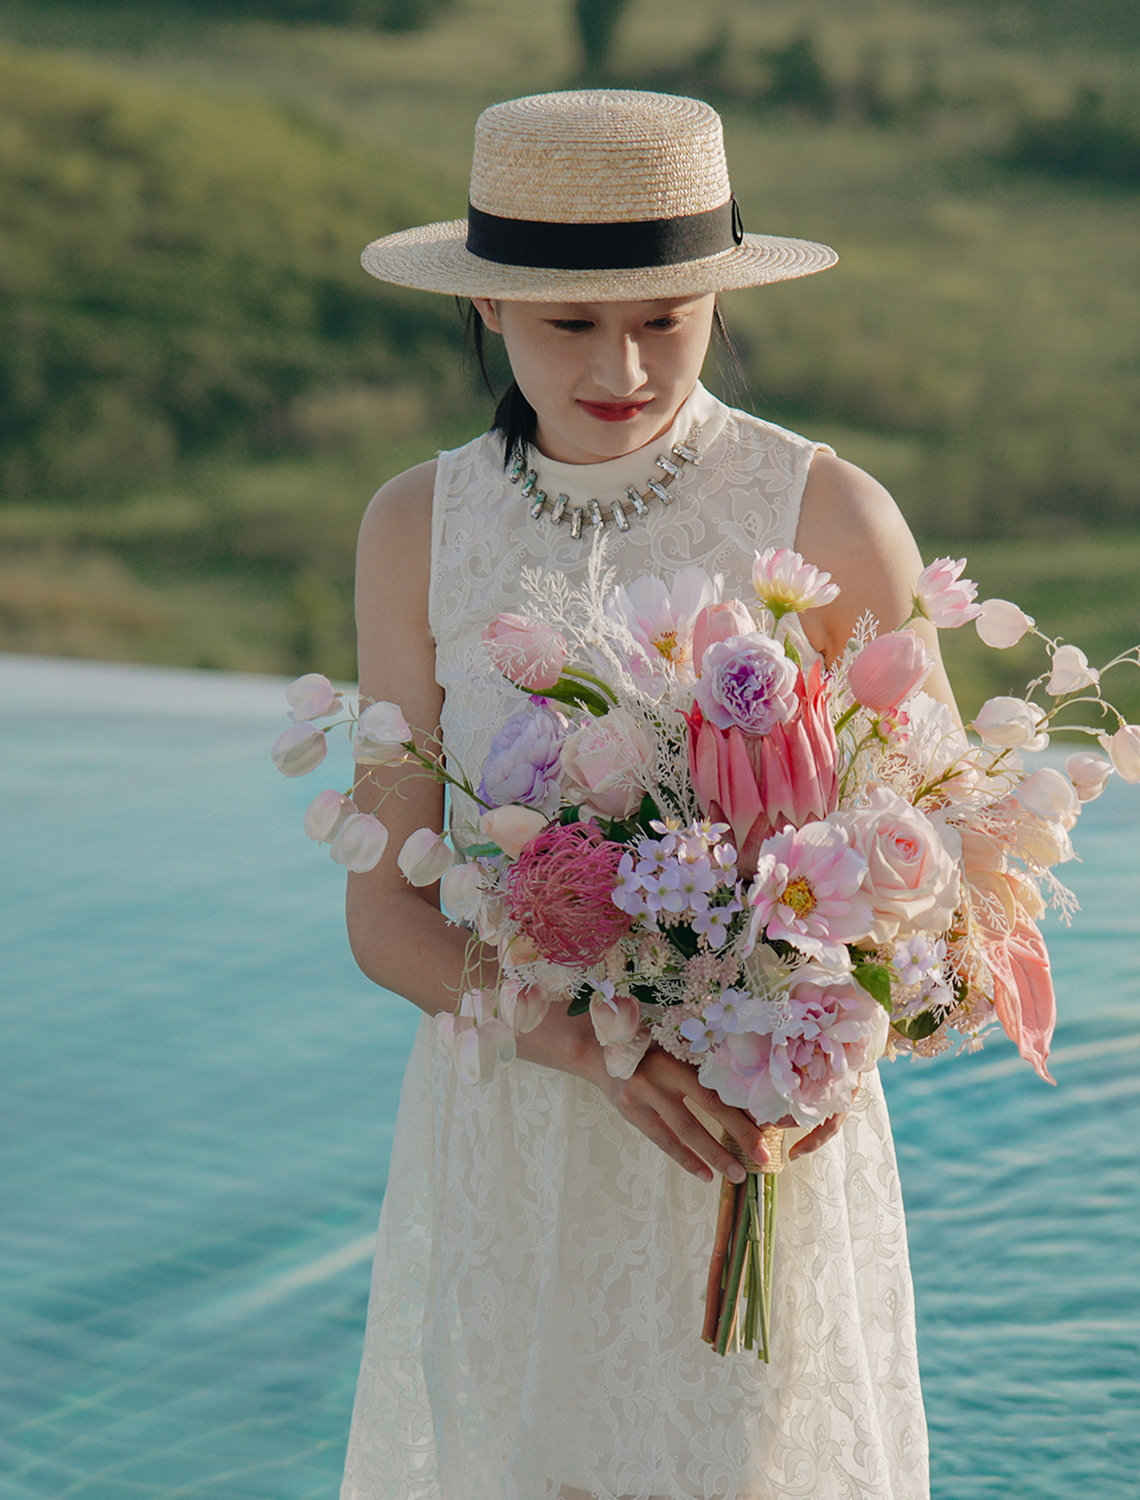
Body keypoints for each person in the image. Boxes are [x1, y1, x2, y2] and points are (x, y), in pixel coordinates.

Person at [341, 88, 956, 1500]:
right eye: (571, 323)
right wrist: (590, 1046)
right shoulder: (413, 528)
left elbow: (944, 862)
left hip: (746, 1143)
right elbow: (383, 913)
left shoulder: (828, 512)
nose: (623, 363)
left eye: (666, 316)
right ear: (489, 308)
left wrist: (824, 1022)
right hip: (523, 1122)